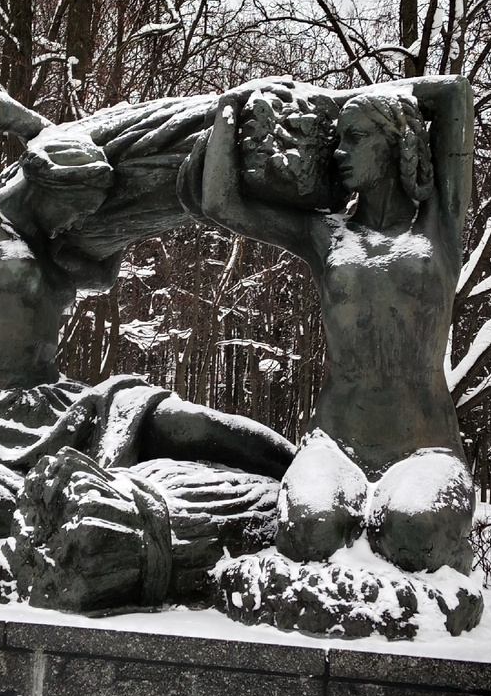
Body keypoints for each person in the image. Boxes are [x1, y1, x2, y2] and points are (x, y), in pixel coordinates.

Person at [0, 82, 295, 560]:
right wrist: (47, 133)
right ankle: (82, 514)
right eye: (71, 210)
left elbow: (103, 276)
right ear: (43, 184)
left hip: (61, 404)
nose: (73, 223)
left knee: (185, 423)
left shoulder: (57, 251)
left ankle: (301, 474)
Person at [200, 76, 475, 573]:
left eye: (355, 137)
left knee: (414, 531)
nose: (340, 152)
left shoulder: (440, 227)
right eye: (338, 139)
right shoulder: (325, 235)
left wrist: (347, 100)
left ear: (395, 142)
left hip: (425, 445)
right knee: (309, 528)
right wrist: (228, 109)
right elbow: (221, 203)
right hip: (335, 443)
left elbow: (454, 95)